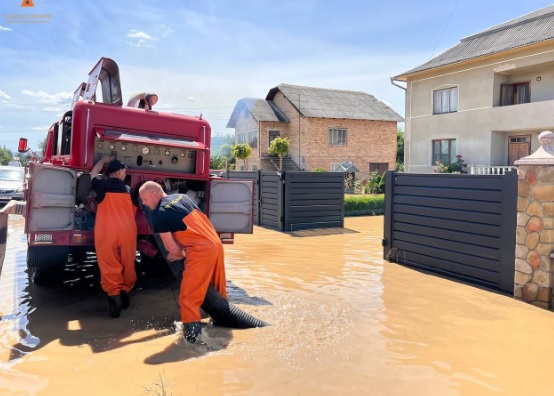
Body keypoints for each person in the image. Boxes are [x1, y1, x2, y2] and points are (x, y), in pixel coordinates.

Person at [138, 181, 227, 343]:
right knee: (217, 289)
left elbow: (170, 247)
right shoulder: (183, 197)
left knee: (188, 298)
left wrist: (180, 255)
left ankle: (193, 342)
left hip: (200, 252)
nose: (143, 203)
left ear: (154, 194)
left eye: (144, 199)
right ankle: (224, 323)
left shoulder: (158, 213)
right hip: (216, 244)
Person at [91, 156, 137, 318]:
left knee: (109, 264)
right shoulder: (127, 190)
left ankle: (114, 300)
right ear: (118, 171)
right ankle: (126, 294)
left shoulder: (101, 186)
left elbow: (93, 173)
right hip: (127, 232)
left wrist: (102, 161)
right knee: (128, 263)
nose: (126, 173)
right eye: (124, 170)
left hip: (107, 232)